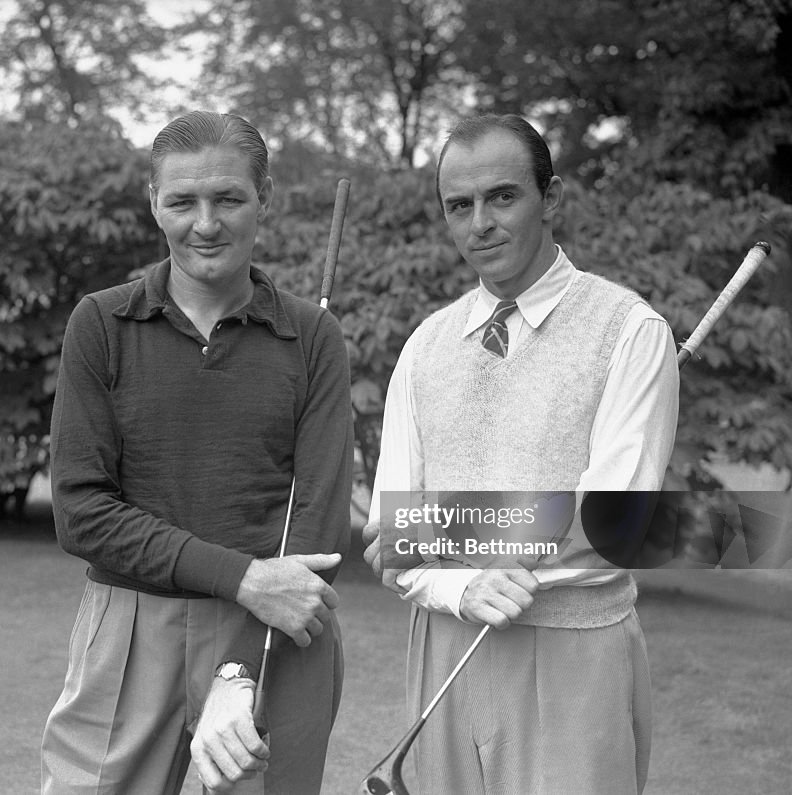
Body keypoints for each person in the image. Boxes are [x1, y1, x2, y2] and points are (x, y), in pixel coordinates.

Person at [363, 114, 680, 794]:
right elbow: (391, 532)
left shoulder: (630, 331)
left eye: (503, 196)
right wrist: (460, 583)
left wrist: (446, 534)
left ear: (552, 198)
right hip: (442, 643)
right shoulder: (423, 347)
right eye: (460, 205)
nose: (481, 223)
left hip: (575, 649)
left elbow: (614, 526)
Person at [41, 110, 353, 794]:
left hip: (278, 630)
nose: (205, 224)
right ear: (154, 204)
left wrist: (241, 666)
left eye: (229, 199)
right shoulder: (100, 324)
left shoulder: (314, 335)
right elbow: (81, 512)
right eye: (182, 201)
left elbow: (320, 520)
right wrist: (240, 576)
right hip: (129, 625)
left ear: (263, 199)